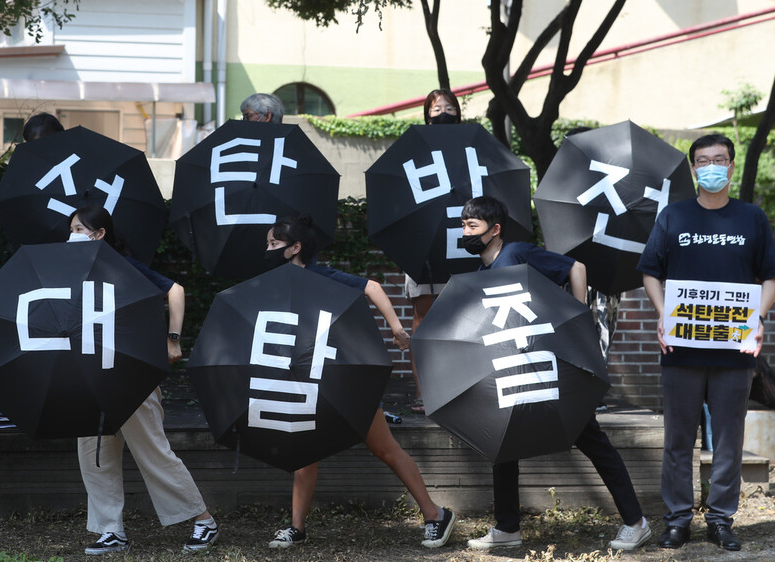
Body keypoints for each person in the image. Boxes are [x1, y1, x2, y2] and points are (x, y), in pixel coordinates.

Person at [459, 196, 651, 552]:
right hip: (515, 369)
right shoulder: (482, 274)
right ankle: (507, 528)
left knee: (591, 439)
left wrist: (579, 319)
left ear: (495, 230)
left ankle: (636, 521)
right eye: (463, 225)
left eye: (473, 226)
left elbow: (575, 269)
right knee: (502, 442)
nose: (465, 232)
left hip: (550, 364)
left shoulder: (516, 253)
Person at [263, 214, 455, 549]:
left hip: (345, 378)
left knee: (383, 448)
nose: (267, 249)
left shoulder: (321, 275)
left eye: (273, 244)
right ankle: (297, 527)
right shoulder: (276, 284)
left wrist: (396, 327)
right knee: (306, 454)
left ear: (295, 247)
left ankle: (436, 515)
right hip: (307, 380)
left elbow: (373, 287)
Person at [638, 133, 775, 552]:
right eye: (703, 160)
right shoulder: (673, 217)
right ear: (694, 169)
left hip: (735, 349)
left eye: (719, 159)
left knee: (729, 439)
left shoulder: (752, 218)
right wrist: (664, 315)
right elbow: (650, 272)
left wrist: (759, 319)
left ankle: (720, 520)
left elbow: (770, 277)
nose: (711, 166)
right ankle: (677, 520)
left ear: (731, 167)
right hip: (681, 346)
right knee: (678, 438)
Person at [67, 205, 219, 554]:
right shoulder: (71, 272)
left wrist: (173, 338)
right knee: (95, 455)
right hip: (90, 377)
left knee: (153, 453)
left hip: (132, 377)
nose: (72, 234)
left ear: (99, 234)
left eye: (79, 228)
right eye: (71, 228)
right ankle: (111, 531)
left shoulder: (122, 267)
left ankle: (203, 520)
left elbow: (175, 290)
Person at [405, 88, 463, 413]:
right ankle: (423, 391)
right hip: (424, 243)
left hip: (461, 242)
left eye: (449, 107)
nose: (442, 112)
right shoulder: (415, 149)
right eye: (436, 107)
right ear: (426, 115)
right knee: (423, 319)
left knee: (460, 320)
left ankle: (457, 389)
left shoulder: (470, 147)